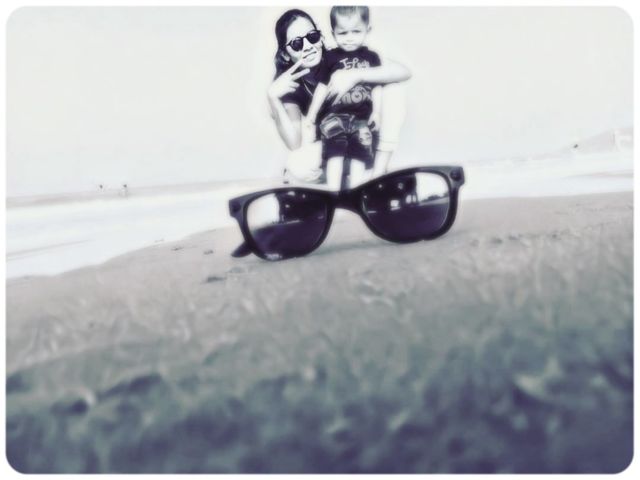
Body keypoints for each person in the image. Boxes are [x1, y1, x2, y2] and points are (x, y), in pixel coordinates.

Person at [268, 8, 411, 187]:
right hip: (332, 144)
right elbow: (294, 143)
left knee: (393, 88)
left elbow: (403, 72)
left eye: (312, 37)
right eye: (297, 44)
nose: (308, 46)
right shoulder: (292, 86)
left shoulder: (339, 56)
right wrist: (273, 98)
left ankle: (377, 175)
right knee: (296, 167)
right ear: (285, 53)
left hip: (363, 135)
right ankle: (348, 181)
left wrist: (355, 75)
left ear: (320, 37)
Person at [304, 6, 393, 189]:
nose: (350, 37)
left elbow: (377, 86)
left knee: (359, 156)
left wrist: (377, 112)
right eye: (343, 33)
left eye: (356, 31)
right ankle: (333, 193)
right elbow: (322, 87)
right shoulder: (330, 57)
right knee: (335, 155)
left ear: (367, 30)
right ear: (333, 33)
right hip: (334, 117)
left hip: (361, 119)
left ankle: (356, 192)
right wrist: (312, 114)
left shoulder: (372, 58)